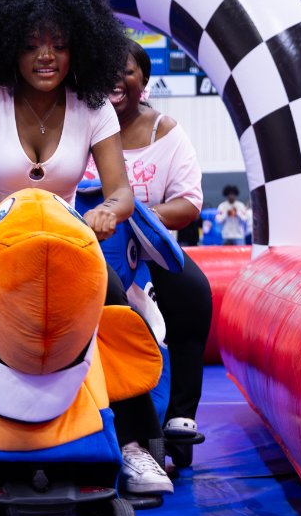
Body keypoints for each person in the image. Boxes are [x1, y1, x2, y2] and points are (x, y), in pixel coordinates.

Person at [0, 0, 172, 500]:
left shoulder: (94, 108)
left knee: (119, 308)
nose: (45, 56)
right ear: (9, 48)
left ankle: (138, 442)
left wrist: (107, 212)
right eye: (31, 44)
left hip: (64, 244)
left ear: (80, 47)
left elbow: (120, 191)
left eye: (58, 44)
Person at [87, 38, 213, 452]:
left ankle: (179, 412)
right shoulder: (82, 124)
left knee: (192, 291)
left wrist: (140, 219)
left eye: (126, 71)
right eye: (106, 71)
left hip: (148, 248)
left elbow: (190, 201)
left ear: (144, 79)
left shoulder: (166, 131)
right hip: (91, 251)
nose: (115, 80)